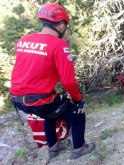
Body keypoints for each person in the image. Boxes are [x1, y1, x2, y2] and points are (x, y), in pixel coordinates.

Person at [10, 3, 95, 159]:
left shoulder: (24, 40)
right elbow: (68, 81)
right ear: (61, 25)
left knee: (50, 114)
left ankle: (54, 148)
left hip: (17, 99)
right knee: (77, 116)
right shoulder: (59, 45)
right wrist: (78, 100)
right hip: (39, 100)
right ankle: (79, 148)